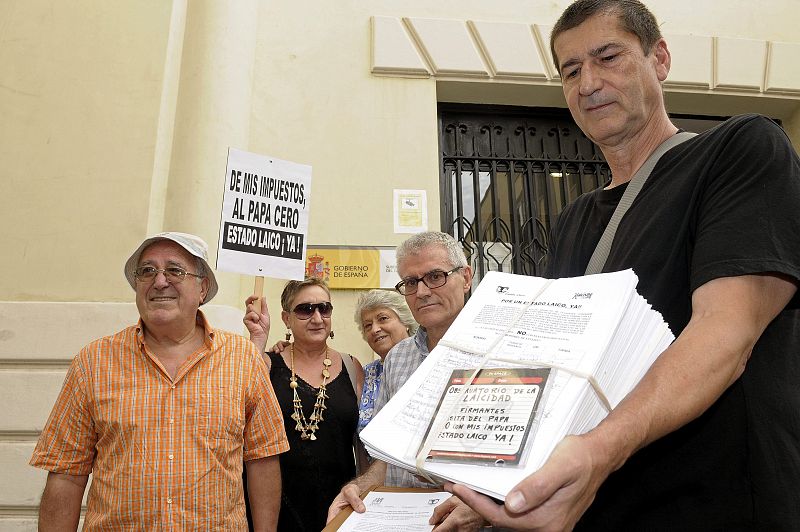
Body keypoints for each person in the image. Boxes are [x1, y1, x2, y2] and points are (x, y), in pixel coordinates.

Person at [449, 1, 800, 530]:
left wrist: (597, 452)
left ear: (659, 58)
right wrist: (500, 489)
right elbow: (556, 376)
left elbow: (727, 332)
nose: (588, 82)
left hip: (720, 506)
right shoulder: (571, 222)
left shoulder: (739, 150)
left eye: (607, 56)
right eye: (570, 71)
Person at [30, 232, 289, 530]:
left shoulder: (243, 360)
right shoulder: (93, 363)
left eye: (175, 270)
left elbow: (262, 460)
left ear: (202, 288)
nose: (160, 281)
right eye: (147, 271)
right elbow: (66, 474)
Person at [327, 231, 485, 531]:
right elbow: (389, 457)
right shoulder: (398, 358)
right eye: (411, 282)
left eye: (435, 276)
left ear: (466, 277)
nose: (422, 291)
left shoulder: (501, 351)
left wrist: (486, 505)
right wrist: (362, 487)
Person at [244, 278, 365, 532]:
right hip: (276, 509)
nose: (317, 317)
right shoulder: (266, 364)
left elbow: (364, 442)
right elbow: (239, 405)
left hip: (340, 504)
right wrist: (258, 339)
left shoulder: (352, 367)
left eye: (324, 308)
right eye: (305, 309)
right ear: (286, 318)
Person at [353, 289, 418, 434]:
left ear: (405, 321)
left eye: (383, 319)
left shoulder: (424, 362)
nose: (375, 329)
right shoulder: (365, 374)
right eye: (368, 325)